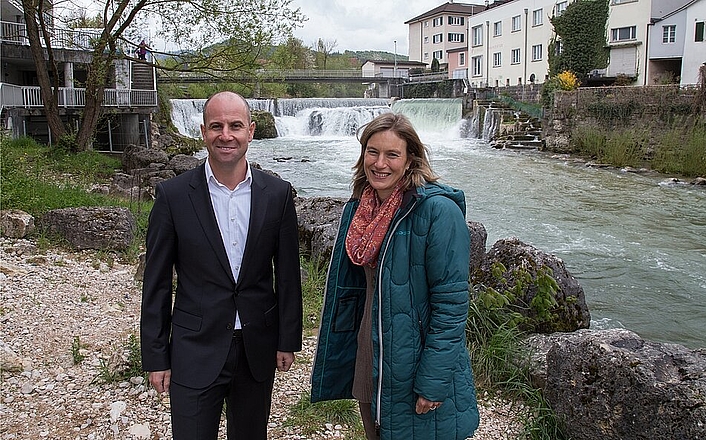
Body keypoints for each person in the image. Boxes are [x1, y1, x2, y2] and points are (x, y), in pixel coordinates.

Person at [140, 91, 303, 440]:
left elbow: (288, 276)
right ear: (203, 132)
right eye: (216, 126)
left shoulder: (277, 194)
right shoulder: (173, 196)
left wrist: (287, 339)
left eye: (235, 126)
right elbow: (156, 284)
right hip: (193, 346)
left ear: (251, 131)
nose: (225, 135)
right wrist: (156, 356)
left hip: (256, 349)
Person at [310, 113, 479, 439]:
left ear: (410, 158)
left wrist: (433, 381)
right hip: (369, 355)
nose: (379, 163)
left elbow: (451, 306)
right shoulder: (360, 208)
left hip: (413, 364)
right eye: (372, 152)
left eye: (392, 154)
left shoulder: (437, 212)